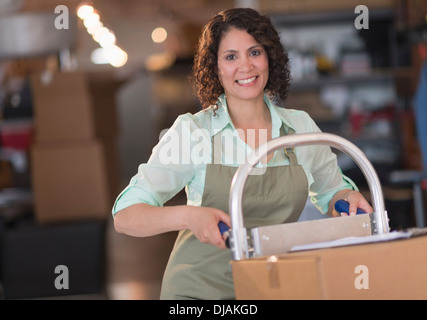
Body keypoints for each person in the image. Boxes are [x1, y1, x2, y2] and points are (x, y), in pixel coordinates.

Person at [112, 7, 373, 300]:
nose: (245, 66)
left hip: (270, 287)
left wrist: (345, 198)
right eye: (231, 57)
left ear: (269, 58)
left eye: (254, 52)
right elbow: (126, 216)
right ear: (216, 67)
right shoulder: (193, 132)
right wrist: (189, 216)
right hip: (199, 293)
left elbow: (330, 192)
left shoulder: (299, 127)